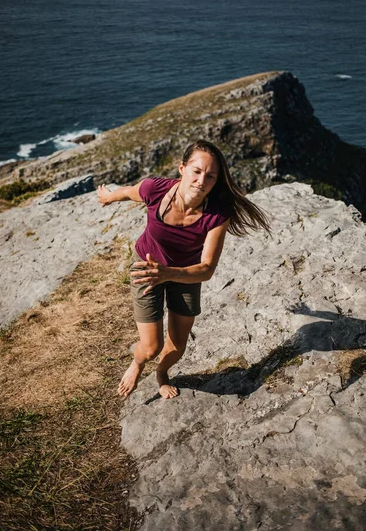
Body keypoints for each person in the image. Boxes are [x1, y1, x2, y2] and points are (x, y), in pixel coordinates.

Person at [97, 139, 271, 400]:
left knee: (177, 346)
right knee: (150, 346)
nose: (202, 181)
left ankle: (162, 374)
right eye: (197, 171)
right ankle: (138, 363)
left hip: (186, 273)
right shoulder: (154, 189)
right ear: (182, 169)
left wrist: (168, 273)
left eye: (210, 176)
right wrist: (108, 196)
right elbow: (128, 192)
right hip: (146, 268)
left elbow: (207, 269)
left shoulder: (217, 215)